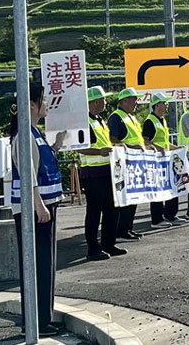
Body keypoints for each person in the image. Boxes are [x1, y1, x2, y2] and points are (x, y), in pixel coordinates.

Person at [10, 83, 66, 337]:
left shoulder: (34, 132)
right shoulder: (24, 134)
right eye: (43, 101)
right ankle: (37, 322)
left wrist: (56, 146)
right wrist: (38, 204)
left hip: (44, 204)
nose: (47, 105)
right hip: (35, 208)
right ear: (31, 105)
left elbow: (39, 163)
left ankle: (44, 318)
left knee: (45, 264)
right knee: (38, 264)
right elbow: (27, 173)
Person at [78, 86, 127, 261]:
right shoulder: (84, 121)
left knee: (111, 209)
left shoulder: (99, 120)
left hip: (107, 170)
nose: (106, 102)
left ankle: (108, 244)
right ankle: (93, 248)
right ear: (95, 101)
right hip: (92, 173)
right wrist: (100, 152)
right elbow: (80, 148)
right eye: (103, 99)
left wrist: (114, 148)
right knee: (94, 212)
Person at [142, 92, 187, 228]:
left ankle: (170, 215)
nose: (167, 105)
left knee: (172, 187)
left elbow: (165, 142)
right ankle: (157, 219)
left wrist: (176, 147)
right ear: (157, 105)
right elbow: (145, 141)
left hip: (166, 161)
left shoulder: (162, 120)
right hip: (156, 162)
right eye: (164, 103)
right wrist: (157, 147)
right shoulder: (150, 121)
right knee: (158, 190)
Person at [108, 87, 147, 241]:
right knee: (125, 199)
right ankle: (121, 231)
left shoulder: (131, 117)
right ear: (124, 101)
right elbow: (113, 140)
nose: (136, 103)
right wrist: (133, 148)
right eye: (134, 99)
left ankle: (128, 228)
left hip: (135, 164)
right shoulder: (116, 117)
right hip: (124, 164)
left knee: (133, 198)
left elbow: (138, 141)